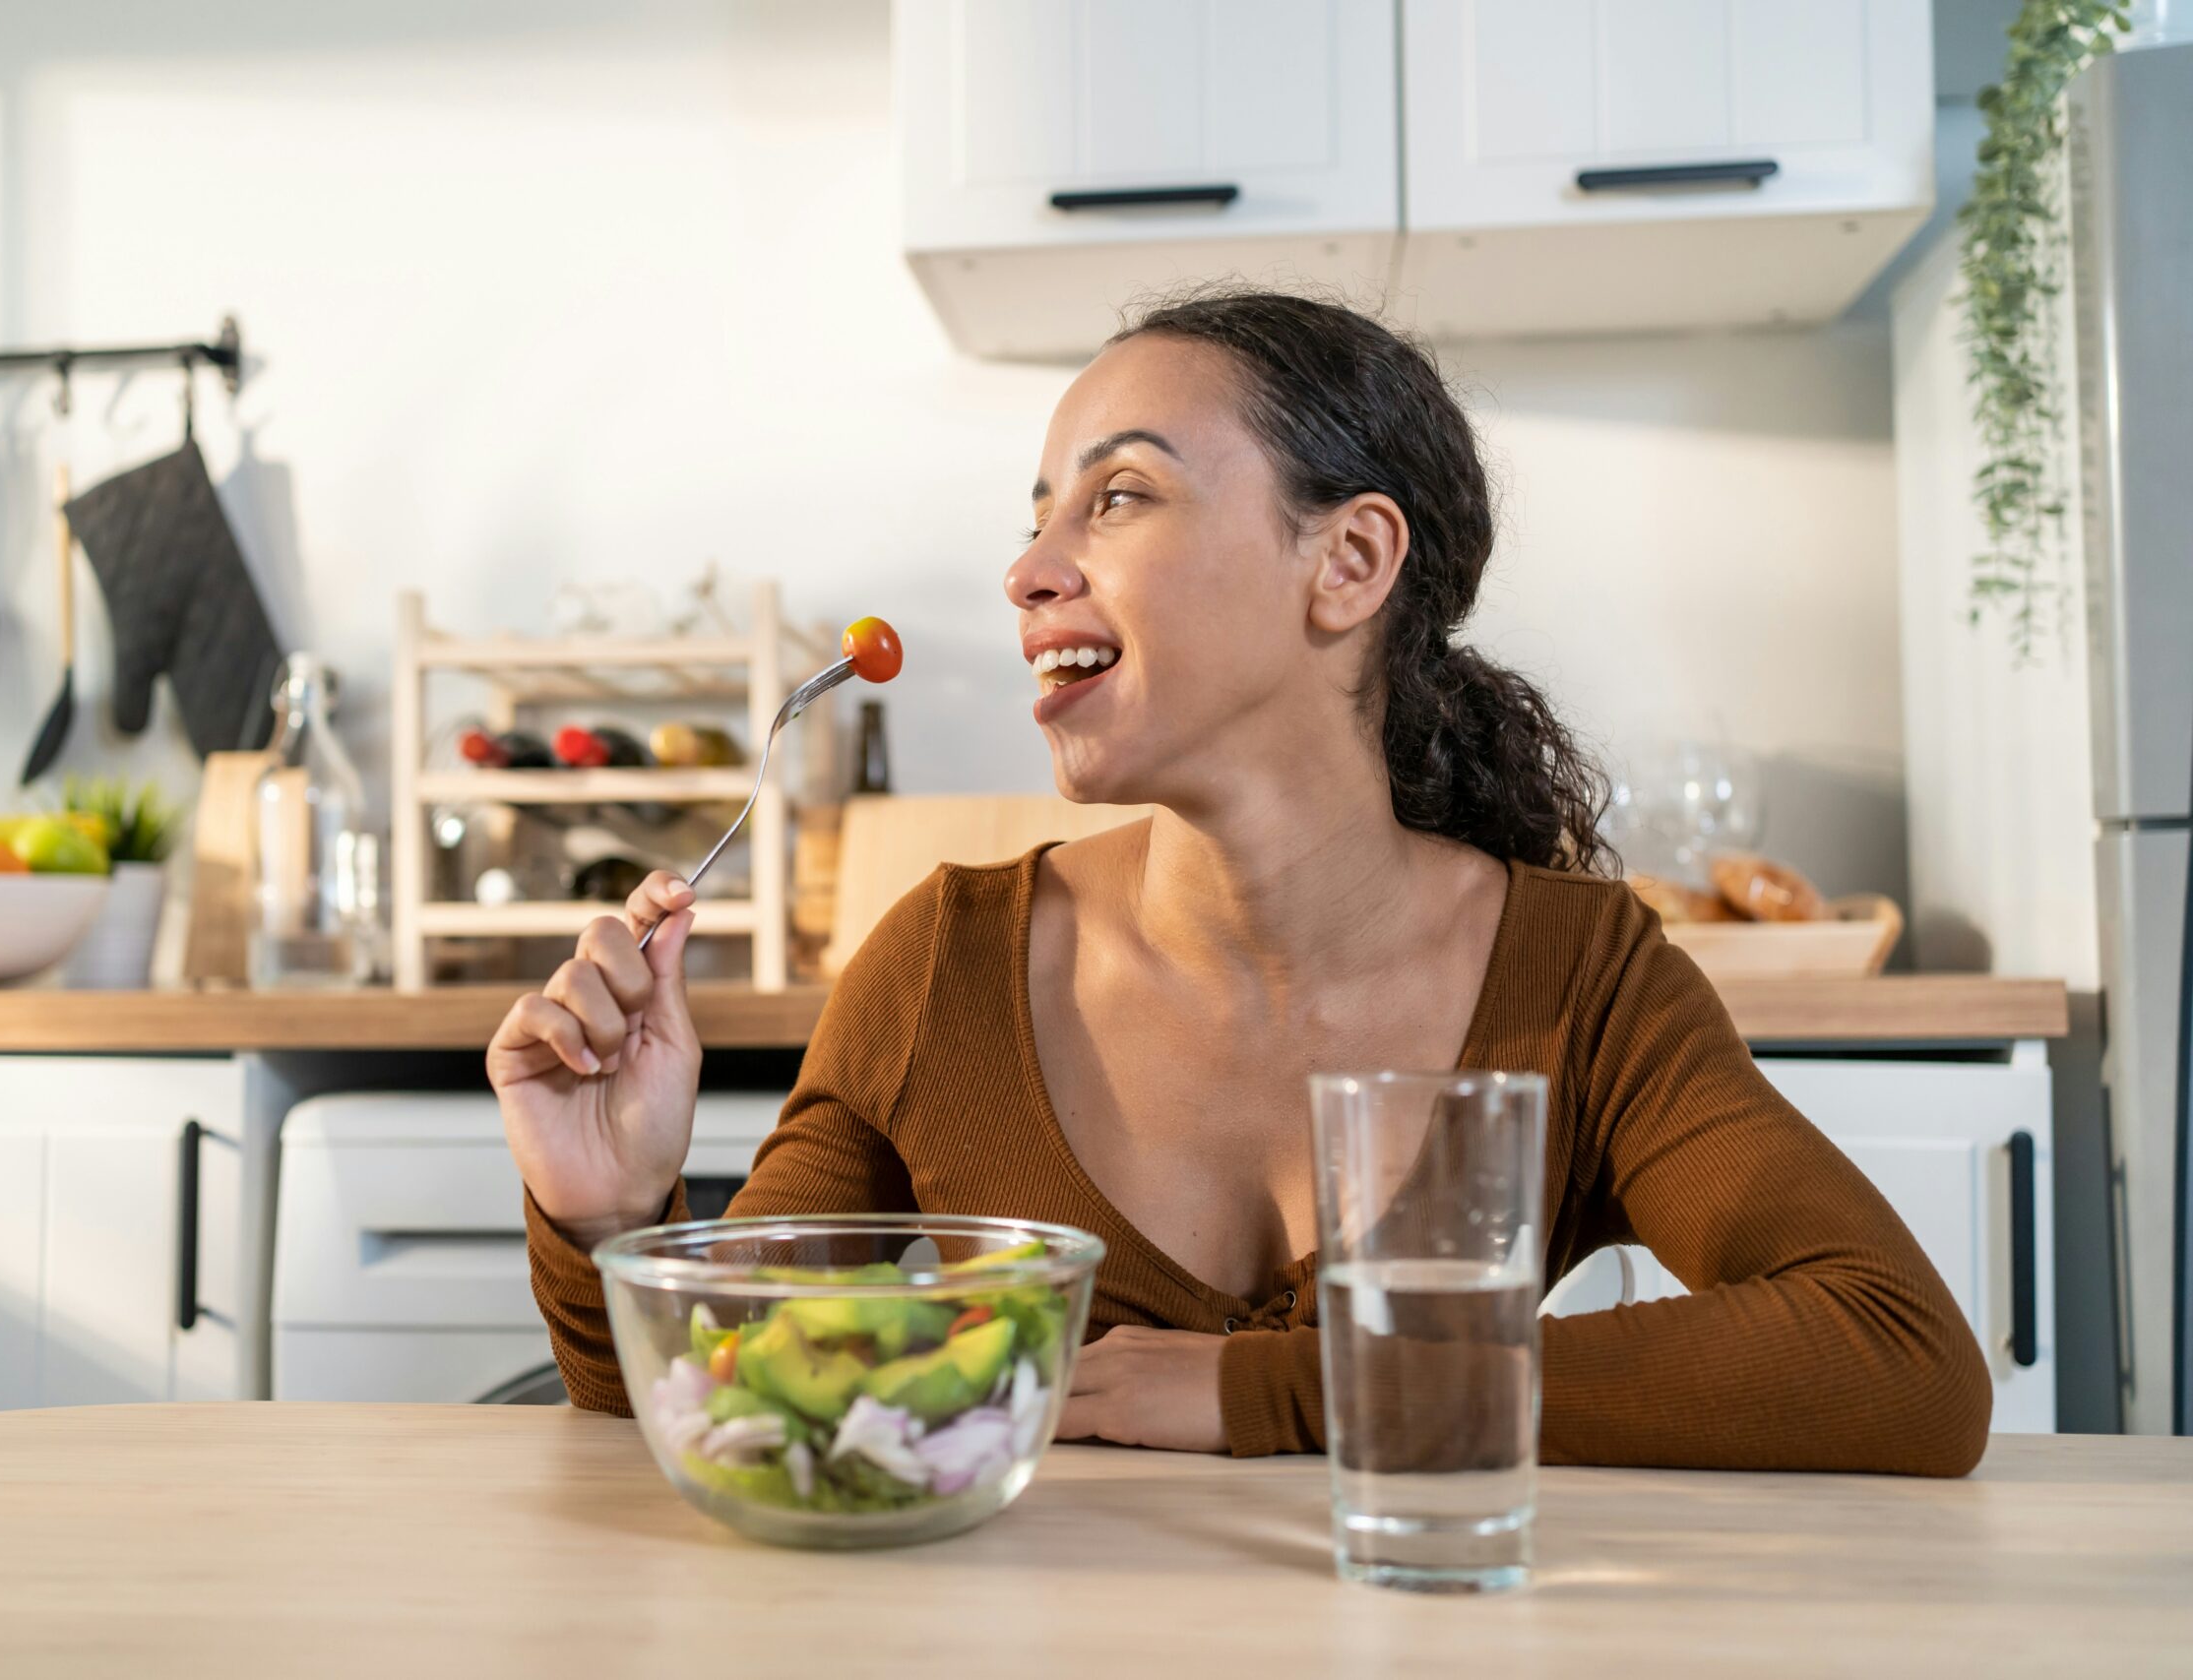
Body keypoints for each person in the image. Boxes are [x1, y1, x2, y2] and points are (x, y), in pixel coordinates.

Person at [489, 288, 1991, 1474]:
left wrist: (1274, 1389)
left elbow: (1898, 1359)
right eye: (1038, 514)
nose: (1029, 569)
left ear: (1348, 563)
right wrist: (606, 1219)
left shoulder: (1581, 980)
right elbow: (726, 1415)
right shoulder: (942, 964)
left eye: (1119, 497)